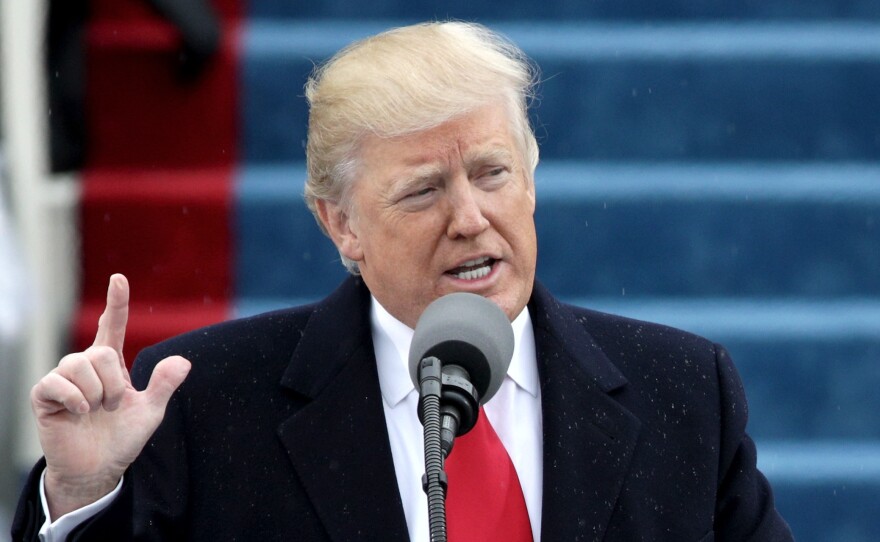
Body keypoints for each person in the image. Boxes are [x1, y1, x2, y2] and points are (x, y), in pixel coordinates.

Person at [12, 21, 793, 541]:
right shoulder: (202, 402)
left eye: (493, 173)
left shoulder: (686, 390)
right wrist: (82, 497)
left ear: (532, 180)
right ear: (340, 224)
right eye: (423, 190)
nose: (470, 217)